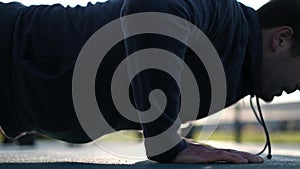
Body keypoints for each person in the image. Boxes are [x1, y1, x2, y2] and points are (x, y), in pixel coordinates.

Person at [0, 0, 299, 164]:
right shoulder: (226, 16)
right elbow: (153, 6)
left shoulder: (239, 66)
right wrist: (167, 142)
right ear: (282, 39)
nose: (298, 87)